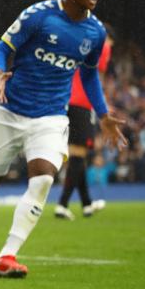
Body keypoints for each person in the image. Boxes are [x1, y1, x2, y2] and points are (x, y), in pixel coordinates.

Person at [0, 0, 127, 278]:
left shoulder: (95, 32)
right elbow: (1, 49)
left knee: (44, 178)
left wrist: (103, 113)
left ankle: (6, 256)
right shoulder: (38, 16)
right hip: (10, 111)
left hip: (50, 117)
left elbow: (89, 75)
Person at [55, 25, 115, 220]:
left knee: (77, 156)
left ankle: (87, 204)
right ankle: (62, 204)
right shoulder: (103, 45)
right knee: (79, 156)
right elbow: (98, 78)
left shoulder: (81, 44)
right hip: (83, 103)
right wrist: (103, 107)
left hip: (68, 101)